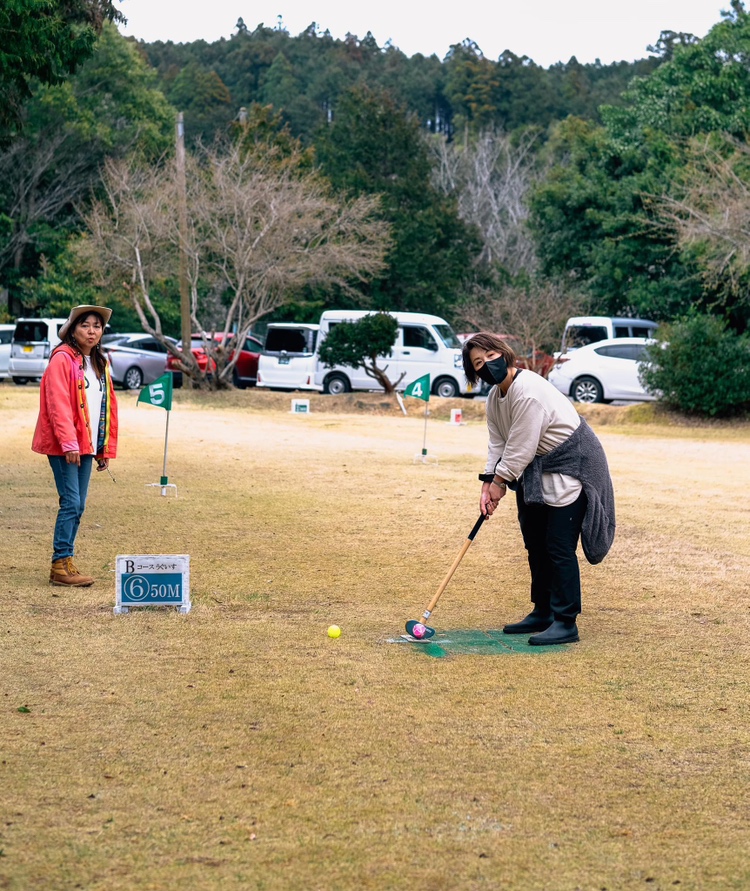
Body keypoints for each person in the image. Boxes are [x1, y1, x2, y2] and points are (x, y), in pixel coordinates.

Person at [463, 332, 615, 645]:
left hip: (570, 464)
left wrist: (500, 482)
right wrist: (487, 483)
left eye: (490, 356)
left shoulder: (528, 390)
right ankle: (543, 610)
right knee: (535, 541)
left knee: (558, 545)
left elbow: (520, 447)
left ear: (504, 353)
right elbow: (498, 443)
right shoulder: (495, 399)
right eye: (478, 363)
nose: (487, 364)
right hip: (537, 469)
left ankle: (565, 621)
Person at [32, 305, 119, 587]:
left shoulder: (98, 363)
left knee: (78, 505)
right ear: (72, 330)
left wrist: (102, 449)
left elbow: (104, 408)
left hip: (87, 445)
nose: (92, 331)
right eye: (85, 325)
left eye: (97, 326)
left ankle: (66, 561)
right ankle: (60, 564)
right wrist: (69, 442)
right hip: (64, 445)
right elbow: (57, 404)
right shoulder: (62, 360)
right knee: (70, 502)